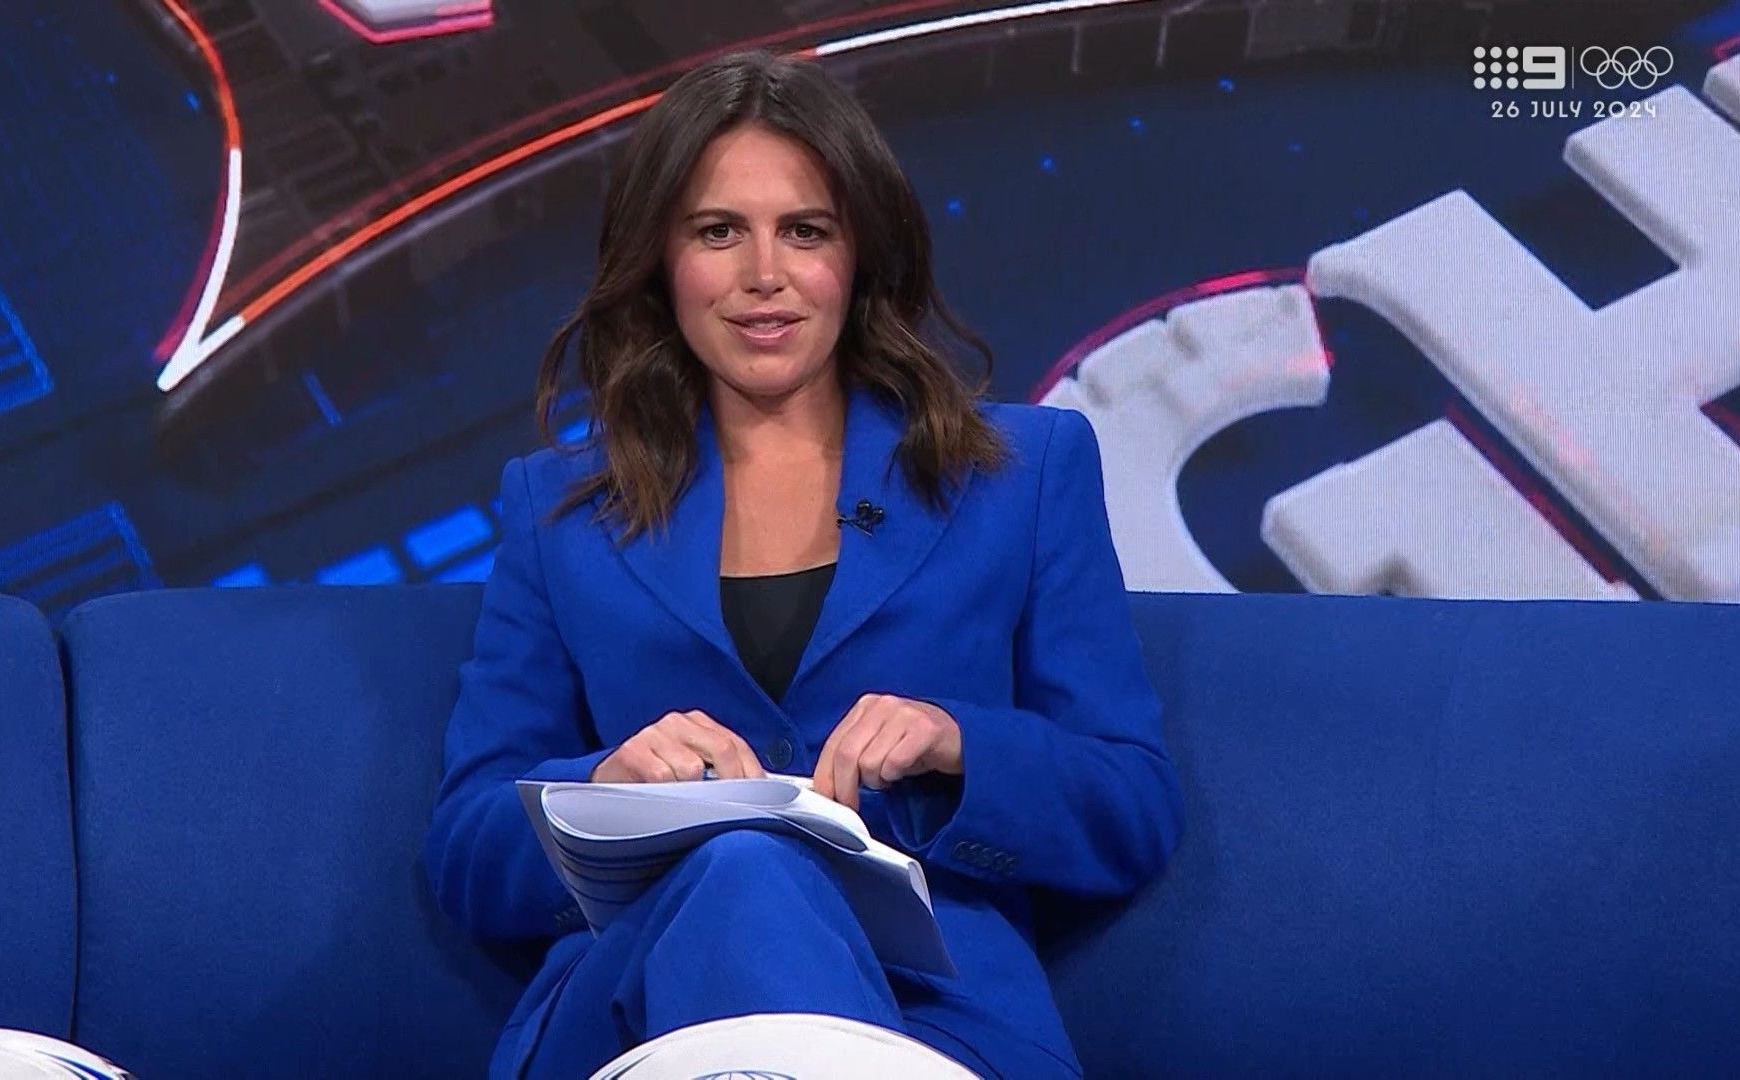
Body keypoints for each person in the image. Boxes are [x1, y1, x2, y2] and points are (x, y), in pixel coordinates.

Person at [424, 49, 1184, 1079]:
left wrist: (959, 745)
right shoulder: (559, 509)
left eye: (806, 230)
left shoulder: (1021, 473)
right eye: (717, 232)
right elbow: (467, 849)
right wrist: (604, 784)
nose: (764, 274)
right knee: (741, 869)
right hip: (642, 1005)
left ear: (860, 253)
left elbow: (1133, 805)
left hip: (931, 1010)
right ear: (660, 259)